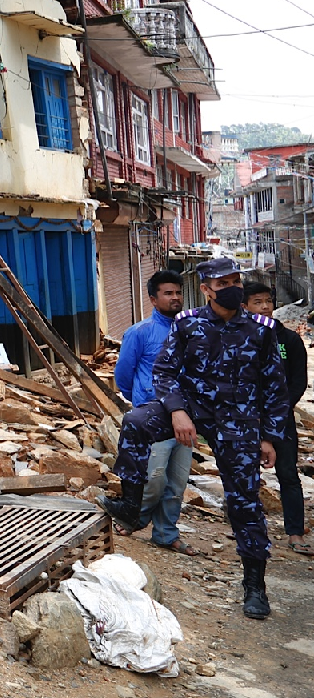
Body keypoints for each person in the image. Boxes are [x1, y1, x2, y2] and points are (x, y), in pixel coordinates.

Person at [99, 257, 287, 619]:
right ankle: (131, 505)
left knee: (245, 502)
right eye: (223, 283)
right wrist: (176, 410)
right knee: (137, 421)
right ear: (205, 289)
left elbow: (275, 388)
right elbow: (165, 371)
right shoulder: (188, 325)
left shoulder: (263, 330)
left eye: (236, 281)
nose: (232, 288)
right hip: (192, 409)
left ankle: (255, 588)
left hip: (239, 420)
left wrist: (269, 437)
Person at [113, 270, 196, 554]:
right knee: (155, 478)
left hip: (186, 418)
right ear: (153, 298)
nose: (175, 298)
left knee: (177, 481)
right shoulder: (140, 333)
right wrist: (142, 402)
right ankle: (134, 518)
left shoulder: (190, 330)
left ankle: (166, 534)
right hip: (153, 420)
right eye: (168, 293)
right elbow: (123, 375)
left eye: (177, 293)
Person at [244, 281, 311, 555]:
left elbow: (298, 382)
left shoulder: (289, 340)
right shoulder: (239, 338)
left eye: (268, 301)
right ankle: (245, 530)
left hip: (281, 420)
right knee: (244, 475)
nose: (265, 307)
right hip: (246, 420)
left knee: (288, 475)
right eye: (257, 302)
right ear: (244, 307)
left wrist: (277, 411)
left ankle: (295, 532)